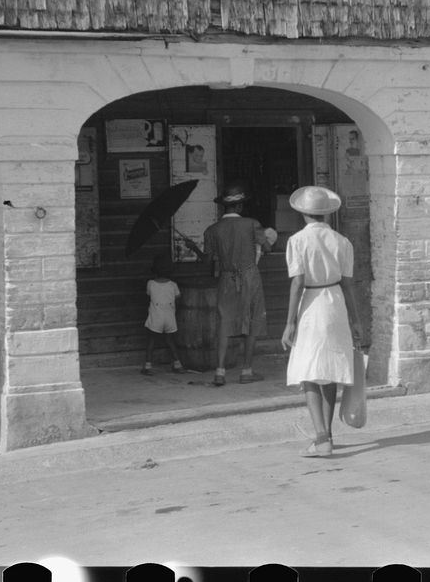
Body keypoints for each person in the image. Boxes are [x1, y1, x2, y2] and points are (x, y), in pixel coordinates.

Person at [280, 186, 365, 458]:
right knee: (329, 372)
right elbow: (349, 284)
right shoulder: (342, 241)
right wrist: (355, 319)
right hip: (336, 303)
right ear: (326, 214)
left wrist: (290, 322)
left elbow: (297, 283)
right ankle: (326, 436)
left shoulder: (297, 241)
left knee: (308, 373)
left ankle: (321, 437)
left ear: (303, 213)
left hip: (311, 305)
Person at [201, 183, 273, 386]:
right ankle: (246, 371)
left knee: (224, 323)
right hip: (250, 276)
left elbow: (207, 261)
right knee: (251, 322)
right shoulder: (252, 224)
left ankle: (220, 372)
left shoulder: (212, 230)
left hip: (226, 279)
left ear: (223, 207)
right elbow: (266, 248)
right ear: (240, 207)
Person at [142, 254, 187, 376]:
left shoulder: (151, 283)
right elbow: (178, 298)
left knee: (151, 341)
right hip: (169, 316)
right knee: (170, 341)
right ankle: (178, 364)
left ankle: (148, 366)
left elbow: (148, 296)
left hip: (156, 316)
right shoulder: (173, 285)